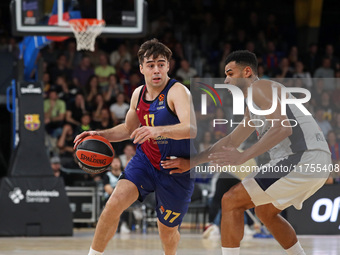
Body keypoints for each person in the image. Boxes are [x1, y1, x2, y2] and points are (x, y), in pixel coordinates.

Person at [161, 50, 331, 255]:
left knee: (231, 200)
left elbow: (283, 128)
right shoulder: (255, 103)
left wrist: (243, 156)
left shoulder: (260, 87)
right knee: (265, 212)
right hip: (314, 161)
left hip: (303, 156)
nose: (226, 80)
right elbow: (231, 141)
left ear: (247, 71)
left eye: (230, 73)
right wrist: (192, 162)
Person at [74, 38, 197, 255]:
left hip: (176, 168)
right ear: (142, 68)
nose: (156, 69)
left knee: (167, 233)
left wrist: (157, 130)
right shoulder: (137, 94)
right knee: (113, 205)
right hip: (146, 161)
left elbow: (191, 128)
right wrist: (99, 134)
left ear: (168, 66)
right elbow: (128, 129)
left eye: (161, 64)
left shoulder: (177, 91)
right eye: (151, 65)